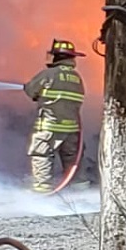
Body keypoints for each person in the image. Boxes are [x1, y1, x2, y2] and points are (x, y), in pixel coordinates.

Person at [23, 39, 86, 193]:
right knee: (72, 158)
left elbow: (31, 91)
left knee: (42, 153)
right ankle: (80, 191)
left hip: (49, 126)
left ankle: (42, 190)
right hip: (71, 128)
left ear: (56, 57)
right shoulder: (77, 78)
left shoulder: (48, 74)